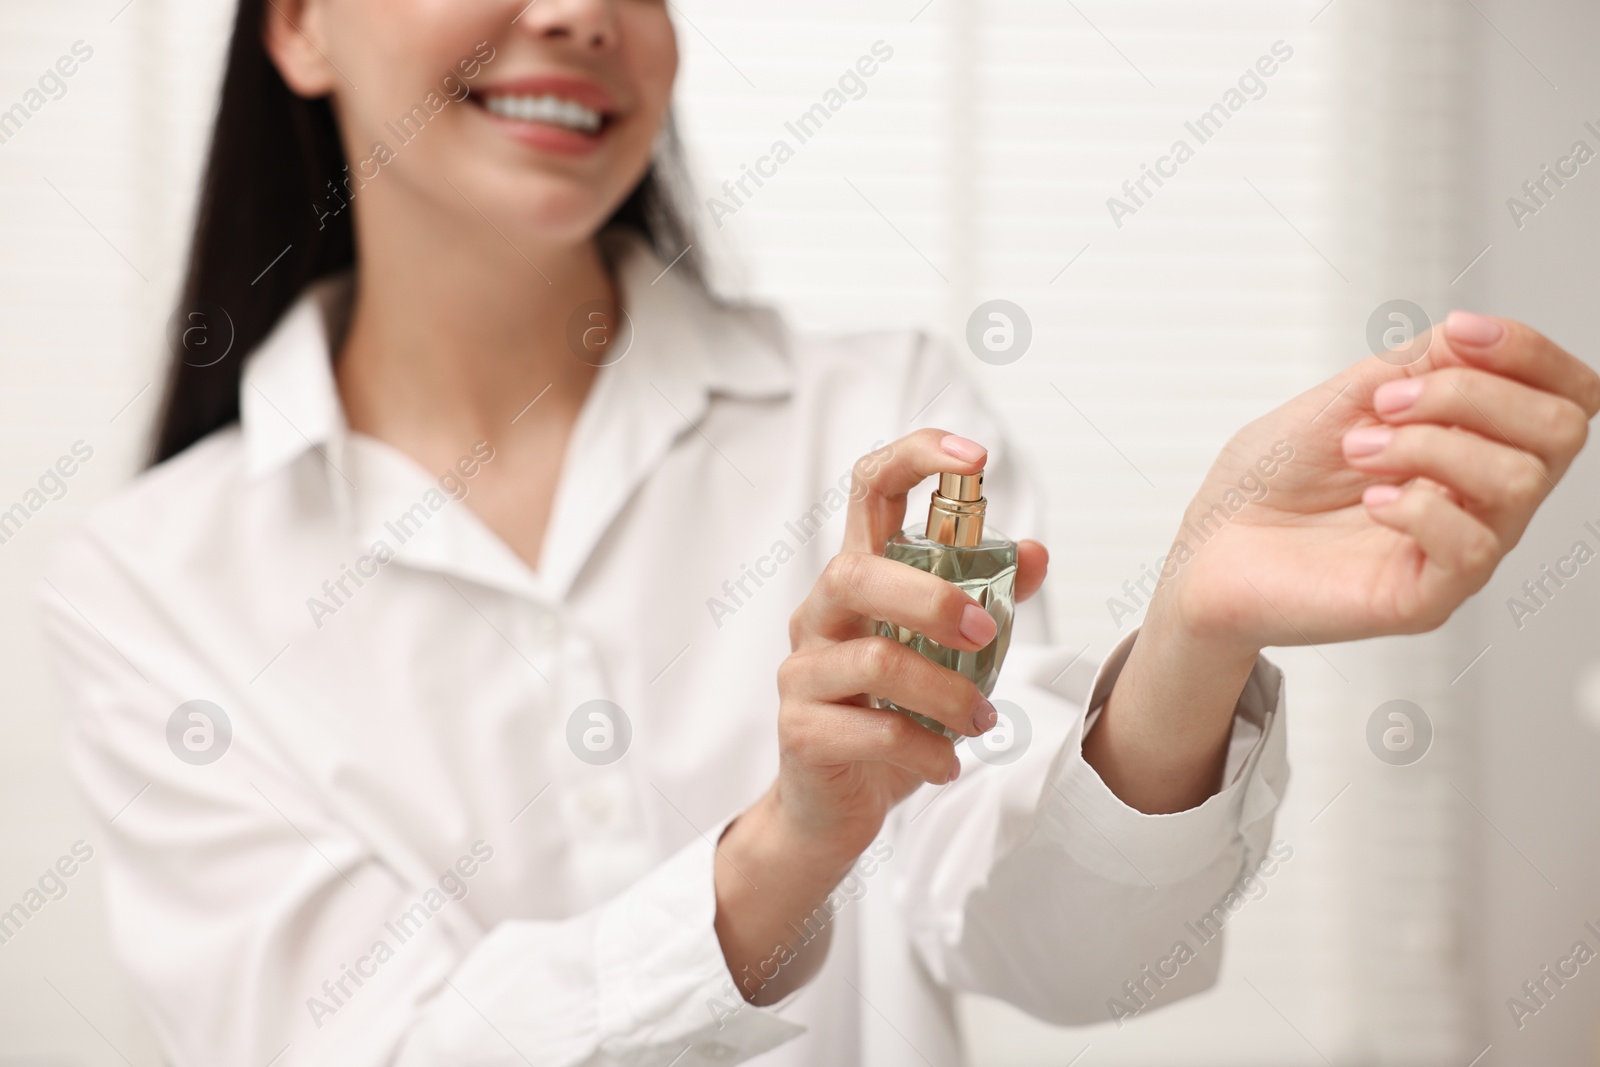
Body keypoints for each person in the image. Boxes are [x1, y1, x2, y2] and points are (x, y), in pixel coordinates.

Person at [35, 0, 1599, 1065]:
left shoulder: (887, 412)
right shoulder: (151, 586)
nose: (583, 9)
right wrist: (782, 855)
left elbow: (1073, 957)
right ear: (296, 21)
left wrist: (1192, 637)